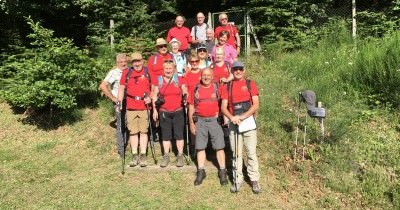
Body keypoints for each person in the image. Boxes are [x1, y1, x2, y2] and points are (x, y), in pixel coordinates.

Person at [220, 61, 261, 194]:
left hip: (248, 123)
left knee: (251, 153)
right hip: (234, 124)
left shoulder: (250, 84)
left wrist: (242, 117)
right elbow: (223, 107)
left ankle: (254, 179)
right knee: (236, 153)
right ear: (232, 71)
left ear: (244, 70)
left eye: (240, 69)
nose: (238, 71)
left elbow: (255, 105)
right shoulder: (227, 87)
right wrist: (232, 118)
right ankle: (237, 179)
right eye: (235, 69)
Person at [188, 68, 228, 186]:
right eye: (204, 75)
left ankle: (222, 171)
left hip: (215, 121)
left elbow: (224, 103)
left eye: (208, 75)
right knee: (200, 147)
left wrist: (221, 114)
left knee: (219, 146)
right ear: (201, 76)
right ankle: (201, 171)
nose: (206, 77)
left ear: (212, 76)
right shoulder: (196, 89)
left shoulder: (217, 88)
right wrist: (191, 123)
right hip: (200, 121)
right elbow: (191, 107)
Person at [117, 52, 152, 167]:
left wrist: (150, 98)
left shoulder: (147, 71)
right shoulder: (127, 72)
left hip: (144, 106)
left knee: (143, 131)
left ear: (142, 61)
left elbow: (155, 87)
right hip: (131, 107)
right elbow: (122, 88)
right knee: (133, 132)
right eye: (134, 61)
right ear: (132, 63)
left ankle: (143, 155)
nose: (137, 63)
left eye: (139, 61)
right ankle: (134, 155)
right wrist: (119, 102)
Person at [152, 60, 188, 168]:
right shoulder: (159, 80)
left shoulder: (178, 79)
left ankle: (180, 156)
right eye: (166, 68)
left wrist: (185, 96)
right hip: (164, 111)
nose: (168, 70)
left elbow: (184, 90)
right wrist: (154, 110)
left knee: (179, 135)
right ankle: (166, 156)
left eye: (170, 68)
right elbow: (154, 96)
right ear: (163, 70)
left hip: (178, 110)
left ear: (174, 69)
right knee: (166, 136)